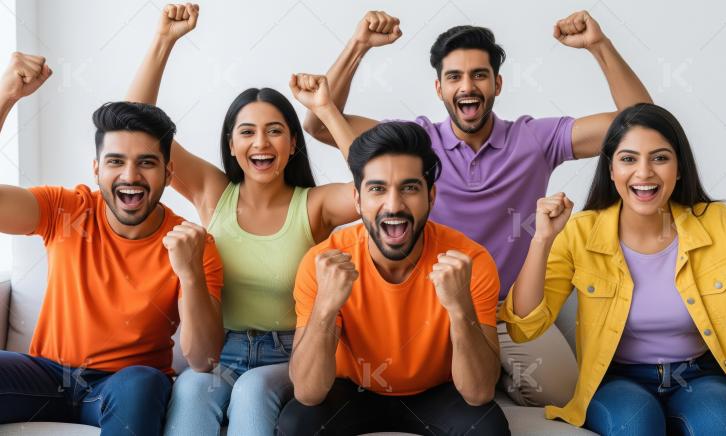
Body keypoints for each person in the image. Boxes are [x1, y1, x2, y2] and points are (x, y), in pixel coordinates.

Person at [302, 9, 654, 406]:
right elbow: (318, 124)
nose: (467, 86)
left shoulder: (534, 139)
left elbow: (643, 125)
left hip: (511, 313)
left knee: (562, 393)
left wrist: (599, 45)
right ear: (438, 88)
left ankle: (497, 376)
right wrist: (359, 45)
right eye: (454, 77)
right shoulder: (416, 145)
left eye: (479, 75)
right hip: (440, 310)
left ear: (497, 84)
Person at [124, 4, 360, 435]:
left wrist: (326, 112)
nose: (261, 142)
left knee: (252, 390)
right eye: (247, 131)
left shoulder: (315, 205)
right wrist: (163, 41)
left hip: (292, 354)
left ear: (292, 143)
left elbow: (377, 192)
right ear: (231, 145)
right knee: (193, 391)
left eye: (274, 130)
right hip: (220, 350)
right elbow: (135, 124)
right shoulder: (214, 193)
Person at [501, 103, 726, 435]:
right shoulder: (579, 233)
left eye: (660, 158)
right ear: (611, 169)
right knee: (636, 427)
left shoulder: (721, 224)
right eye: (628, 159)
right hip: (619, 379)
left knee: (722, 427)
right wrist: (541, 240)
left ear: (679, 168)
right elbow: (523, 327)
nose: (644, 173)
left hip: (701, 376)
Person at [0, 51, 224, 435]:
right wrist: (6, 97)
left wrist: (189, 275)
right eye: (116, 161)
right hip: (46, 375)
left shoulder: (193, 244)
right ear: (97, 169)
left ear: (169, 173)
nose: (130, 176)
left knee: (141, 382)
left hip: (124, 385)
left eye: (147, 163)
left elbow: (203, 359)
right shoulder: (65, 209)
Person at [276, 121, 510, 435]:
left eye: (410, 188)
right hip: (352, 390)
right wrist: (325, 309)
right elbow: (307, 392)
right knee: (295, 424)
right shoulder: (324, 262)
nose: (394, 205)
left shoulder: (469, 262)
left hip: (437, 392)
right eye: (377, 189)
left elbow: (479, 392)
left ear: (431, 196)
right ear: (357, 200)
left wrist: (460, 309)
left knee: (488, 428)